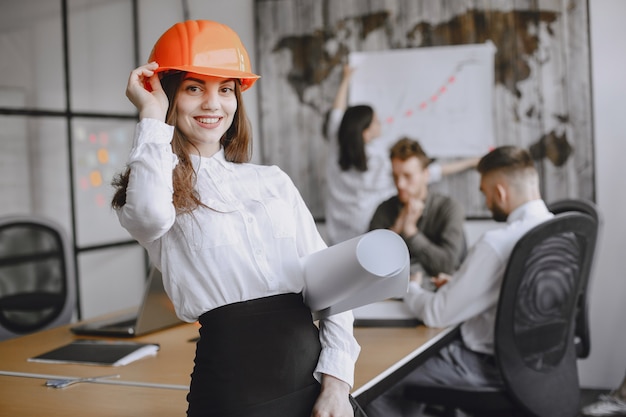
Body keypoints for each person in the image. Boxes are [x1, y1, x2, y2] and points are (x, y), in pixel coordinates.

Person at [111, 20, 362, 417]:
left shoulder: (272, 181)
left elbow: (333, 287)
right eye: (195, 88)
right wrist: (150, 116)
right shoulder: (154, 187)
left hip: (315, 383)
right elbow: (148, 216)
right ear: (170, 94)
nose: (213, 104)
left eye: (225, 89)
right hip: (234, 392)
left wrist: (337, 384)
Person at [364, 145, 554, 417]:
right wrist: (462, 283)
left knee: (380, 378)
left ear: (499, 192)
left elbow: (436, 313)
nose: (486, 201)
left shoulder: (496, 244)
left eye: (485, 193)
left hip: (487, 366)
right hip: (536, 366)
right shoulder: (559, 231)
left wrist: (411, 287)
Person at [324, 65, 479, 246]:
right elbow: (431, 172)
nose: (380, 123)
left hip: (336, 234)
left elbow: (337, 112)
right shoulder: (379, 164)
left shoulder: (336, 143)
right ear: (366, 133)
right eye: (375, 121)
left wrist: (346, 78)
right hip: (367, 234)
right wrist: (471, 162)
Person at [368, 137, 466, 278]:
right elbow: (370, 265)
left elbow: (448, 265)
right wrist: (397, 228)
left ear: (425, 175)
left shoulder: (450, 208)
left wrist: (411, 232)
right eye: (395, 176)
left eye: (408, 176)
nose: (400, 184)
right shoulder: (384, 209)